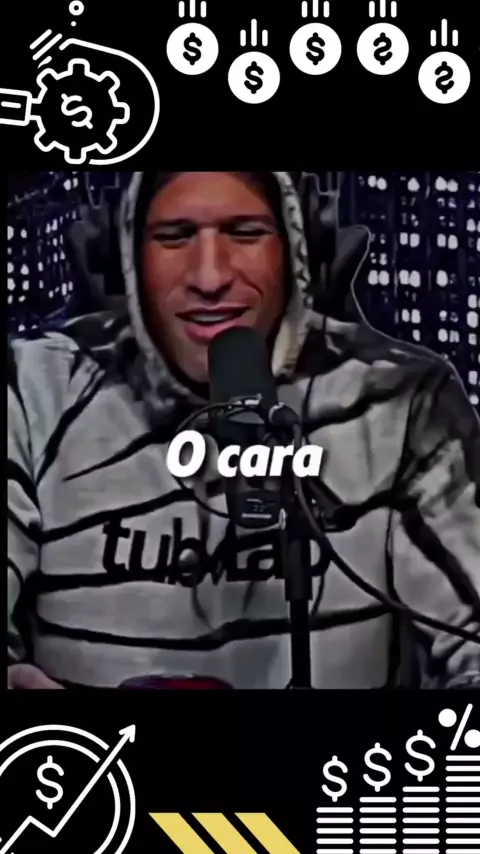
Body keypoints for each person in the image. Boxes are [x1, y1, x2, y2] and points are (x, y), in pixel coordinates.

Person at [7, 170, 480, 690]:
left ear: (301, 250)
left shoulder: (402, 400)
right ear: (123, 259)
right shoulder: (32, 390)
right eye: (175, 236)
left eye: (246, 232)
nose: (209, 278)